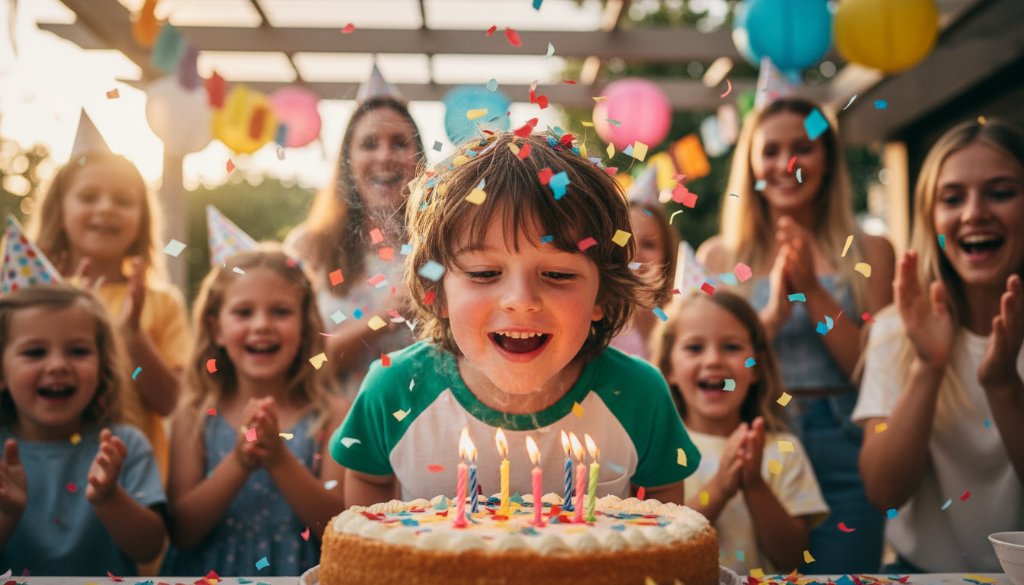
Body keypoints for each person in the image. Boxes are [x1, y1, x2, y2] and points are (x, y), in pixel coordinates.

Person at [332, 130, 702, 507]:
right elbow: (367, 479)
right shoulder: (393, 390)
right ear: (437, 290)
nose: (520, 302)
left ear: (602, 295)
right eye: (484, 273)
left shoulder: (641, 396)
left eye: (558, 275)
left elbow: (665, 516)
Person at [697, 97, 894, 572]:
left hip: (845, 438)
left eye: (803, 148)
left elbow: (879, 377)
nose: (787, 164)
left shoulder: (872, 249)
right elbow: (712, 374)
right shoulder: (719, 257)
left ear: (827, 161)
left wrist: (812, 291)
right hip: (758, 440)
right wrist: (768, 323)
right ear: (751, 163)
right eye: (771, 150)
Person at [854, 118, 1024, 572]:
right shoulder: (896, 329)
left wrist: (1004, 385)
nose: (973, 213)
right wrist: (927, 366)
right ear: (931, 218)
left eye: (1001, 192)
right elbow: (882, 492)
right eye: (952, 199)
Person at [160, 247, 348, 576]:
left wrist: (278, 459)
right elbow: (182, 532)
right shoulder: (193, 415)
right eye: (244, 312)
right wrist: (240, 461)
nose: (262, 325)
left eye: (280, 311)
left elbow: (337, 530)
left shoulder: (334, 415)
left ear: (305, 326)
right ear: (216, 327)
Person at [28, 150, 189, 484]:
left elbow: (170, 402)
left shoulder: (161, 302)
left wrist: (131, 335)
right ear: (60, 209)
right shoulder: (31, 293)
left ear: (142, 219)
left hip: (133, 482)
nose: (105, 208)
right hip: (39, 476)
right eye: (88, 196)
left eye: (123, 200)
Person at [651, 291, 828, 573]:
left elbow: (794, 558)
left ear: (756, 367)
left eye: (731, 347)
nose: (713, 360)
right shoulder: (656, 450)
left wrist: (755, 484)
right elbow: (662, 548)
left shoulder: (782, 449)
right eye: (695, 347)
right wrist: (720, 488)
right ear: (669, 367)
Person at [0, 285, 166, 575]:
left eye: (78, 351)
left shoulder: (123, 446)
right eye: (35, 352)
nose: (58, 365)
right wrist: (6, 514)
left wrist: (109, 498)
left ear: (103, 367)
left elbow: (149, 547)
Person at [286, 96, 425, 402]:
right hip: (332, 436)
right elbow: (299, 367)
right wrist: (383, 318)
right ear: (348, 160)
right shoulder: (310, 249)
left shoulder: (439, 249)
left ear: (419, 158)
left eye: (400, 143)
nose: (385, 156)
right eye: (369, 144)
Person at [610, 170, 679, 360]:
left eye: (649, 244)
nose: (636, 252)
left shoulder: (679, 318)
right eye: (626, 241)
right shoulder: (598, 320)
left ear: (667, 255)